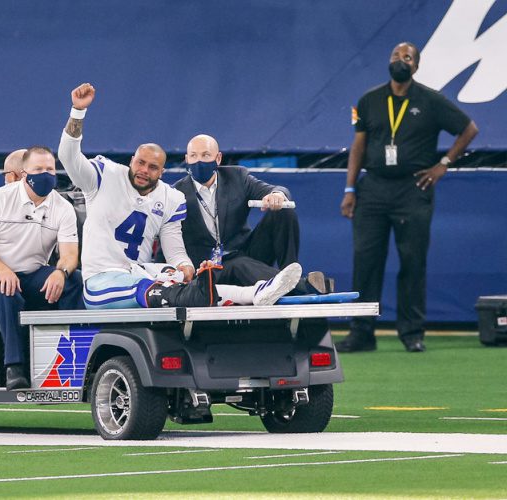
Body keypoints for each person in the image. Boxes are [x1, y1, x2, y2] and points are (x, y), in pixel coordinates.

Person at [58, 83, 302, 310]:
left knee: (183, 282)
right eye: (140, 163)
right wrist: (77, 113)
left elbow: (174, 249)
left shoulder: (170, 197)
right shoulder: (104, 176)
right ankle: (289, 288)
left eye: (152, 167)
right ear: (131, 160)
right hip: (103, 278)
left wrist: (184, 267)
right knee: (165, 289)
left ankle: (256, 292)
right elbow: (69, 157)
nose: (144, 170)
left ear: (161, 172)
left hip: (140, 271)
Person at [337, 42, 478, 353]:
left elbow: (469, 129)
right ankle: (361, 332)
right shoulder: (369, 100)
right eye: (395, 56)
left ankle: (412, 332)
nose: (400, 60)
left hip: (413, 189)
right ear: (388, 62)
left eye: (407, 57)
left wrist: (444, 165)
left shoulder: (431, 100)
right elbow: (358, 146)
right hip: (373, 188)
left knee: (413, 262)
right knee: (366, 262)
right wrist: (350, 189)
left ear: (416, 66)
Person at [0, 146, 84, 390]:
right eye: (38, 169)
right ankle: (15, 368)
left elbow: (70, 254)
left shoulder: (63, 208)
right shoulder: (0, 198)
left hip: (31, 274)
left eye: (50, 169)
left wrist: (61, 273)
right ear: (23, 173)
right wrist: (2, 269)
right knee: (7, 290)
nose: (46, 174)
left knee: (74, 280)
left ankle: (74, 357)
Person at [174, 134, 332, 294]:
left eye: (206, 155)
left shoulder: (236, 177)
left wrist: (276, 195)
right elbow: (167, 244)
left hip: (246, 253)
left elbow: (276, 189)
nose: (199, 161)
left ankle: (290, 272)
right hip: (209, 269)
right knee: (238, 263)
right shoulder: (176, 194)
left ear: (218, 158)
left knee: (283, 211)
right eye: (194, 156)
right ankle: (302, 287)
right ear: (187, 159)